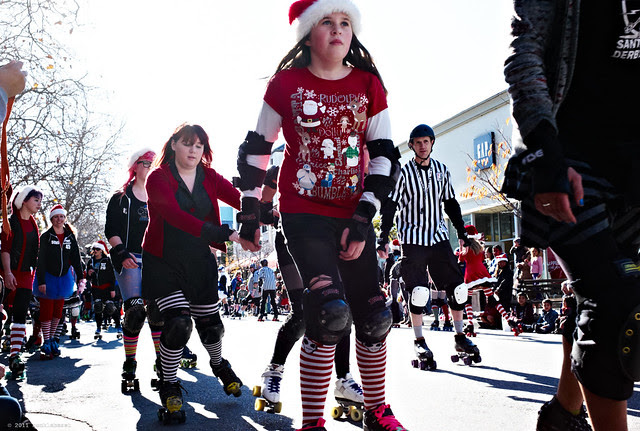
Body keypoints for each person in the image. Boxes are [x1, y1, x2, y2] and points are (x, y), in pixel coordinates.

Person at [234, 1, 406, 428]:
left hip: (353, 213)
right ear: (308, 34)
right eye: (327, 21)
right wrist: (250, 213)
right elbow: (257, 149)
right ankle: (313, 423)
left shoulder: (368, 84)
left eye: (345, 22)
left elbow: (384, 156)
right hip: (304, 214)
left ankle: (377, 411)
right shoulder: (285, 84)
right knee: (329, 313)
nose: (338, 30)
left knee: (375, 316)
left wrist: (364, 217)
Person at [502, 3, 640, 428]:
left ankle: (563, 415)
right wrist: (544, 151)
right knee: (615, 304)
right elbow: (526, 52)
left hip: (632, 168)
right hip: (569, 158)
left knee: (596, 297)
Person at [141, 124, 242, 422]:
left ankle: (219, 364)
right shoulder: (158, 178)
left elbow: (238, 198)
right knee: (179, 323)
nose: (193, 150)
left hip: (199, 259)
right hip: (164, 260)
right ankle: (169, 383)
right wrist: (221, 232)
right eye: (187, 143)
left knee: (211, 326)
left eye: (199, 145)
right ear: (174, 144)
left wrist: (264, 212)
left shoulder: (209, 176)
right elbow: (174, 216)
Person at [254, 165, 364, 417]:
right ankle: (274, 370)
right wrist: (270, 213)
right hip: (291, 238)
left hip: (325, 238)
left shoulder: (331, 161)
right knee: (302, 313)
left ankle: (344, 379)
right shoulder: (283, 166)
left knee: (339, 308)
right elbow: (263, 207)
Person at [378, 123, 480, 376]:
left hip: (438, 237)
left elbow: (451, 204)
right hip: (413, 238)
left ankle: (460, 337)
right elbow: (390, 207)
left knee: (457, 288)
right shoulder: (403, 174)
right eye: (418, 142)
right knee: (420, 292)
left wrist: (462, 233)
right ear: (412, 146)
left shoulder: (442, 171)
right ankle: (419, 340)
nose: (423, 146)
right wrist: (383, 237)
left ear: (432, 143)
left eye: (426, 141)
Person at [105, 148, 165, 388]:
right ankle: (130, 361)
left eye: (153, 163)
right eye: (146, 163)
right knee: (136, 311)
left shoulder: (160, 197)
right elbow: (111, 230)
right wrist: (121, 253)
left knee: (158, 312)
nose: (150, 167)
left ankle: (162, 362)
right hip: (129, 257)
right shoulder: (121, 197)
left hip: (154, 260)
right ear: (135, 166)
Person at [1, 186, 42, 376]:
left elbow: (34, 253)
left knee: (20, 314)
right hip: (7, 273)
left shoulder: (34, 224)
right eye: (36, 200)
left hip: (26, 275)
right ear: (24, 201)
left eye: (40, 200)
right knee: (2, 313)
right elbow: (5, 249)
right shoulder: (10, 223)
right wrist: (8, 273)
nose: (39, 204)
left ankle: (15, 356)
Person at [35, 204, 84, 359]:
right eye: (56, 217)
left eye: (61, 216)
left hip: (64, 279)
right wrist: (41, 281)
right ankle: (46, 341)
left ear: (65, 218)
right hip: (47, 277)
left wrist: (81, 277)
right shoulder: (46, 236)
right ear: (51, 219)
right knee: (47, 310)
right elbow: (40, 260)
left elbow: (76, 258)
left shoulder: (70, 237)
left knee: (58, 311)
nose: (59, 219)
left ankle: (53, 340)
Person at [457, 225, 516, 336]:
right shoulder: (480, 247)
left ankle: (470, 323)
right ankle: (509, 320)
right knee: (492, 298)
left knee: (468, 300)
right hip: (482, 273)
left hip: (471, 274)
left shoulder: (466, 246)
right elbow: (481, 258)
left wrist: (461, 247)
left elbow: (461, 259)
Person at [85, 240, 116, 339]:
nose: (95, 251)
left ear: (101, 250)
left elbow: (112, 276)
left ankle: (118, 324)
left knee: (110, 307)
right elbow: (87, 278)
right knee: (97, 307)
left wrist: (112, 289)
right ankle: (98, 327)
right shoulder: (91, 261)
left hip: (106, 287)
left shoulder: (107, 260)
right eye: (94, 249)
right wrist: (88, 274)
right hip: (96, 288)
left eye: (97, 249)